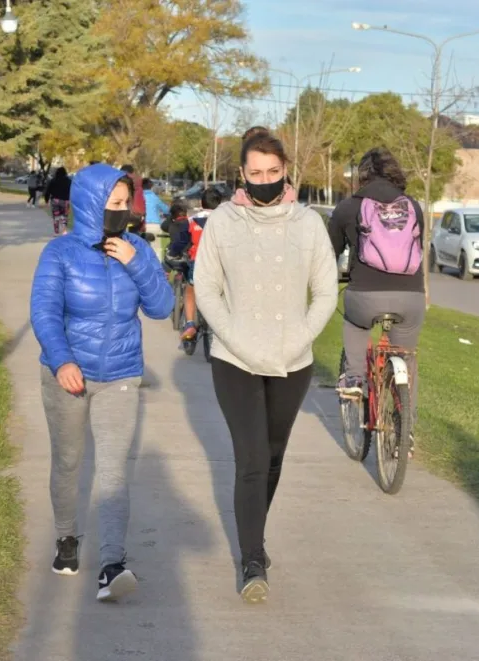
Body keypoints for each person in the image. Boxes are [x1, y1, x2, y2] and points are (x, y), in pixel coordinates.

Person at [194, 131, 338, 604]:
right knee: (252, 457)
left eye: (272, 173)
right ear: (241, 175)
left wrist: (298, 339)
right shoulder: (222, 221)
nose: (264, 181)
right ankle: (253, 560)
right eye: (255, 174)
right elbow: (207, 288)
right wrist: (234, 338)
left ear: (285, 170)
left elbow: (326, 292)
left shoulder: (309, 224)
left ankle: (253, 534)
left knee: (273, 457)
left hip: (291, 361)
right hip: (235, 358)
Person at [30, 163, 174, 603]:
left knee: (112, 471)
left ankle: (112, 565)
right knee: (69, 463)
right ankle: (67, 539)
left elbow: (162, 307)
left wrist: (136, 265)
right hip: (68, 374)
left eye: (125, 205)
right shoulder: (60, 254)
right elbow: (44, 313)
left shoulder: (137, 249)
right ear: (90, 204)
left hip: (121, 375)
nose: (121, 213)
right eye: (112, 204)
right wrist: (61, 361)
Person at [327, 147, 426, 457]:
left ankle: (355, 377)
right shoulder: (413, 206)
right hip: (411, 298)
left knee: (355, 323)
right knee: (406, 357)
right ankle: (404, 430)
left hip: (364, 295)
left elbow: (329, 251)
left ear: (363, 176)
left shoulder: (348, 207)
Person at [177, 187, 222, 341]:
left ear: (202, 203)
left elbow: (181, 242)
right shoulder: (226, 220)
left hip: (198, 262)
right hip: (219, 264)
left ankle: (190, 324)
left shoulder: (191, 220)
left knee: (191, 290)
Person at [44, 167, 72, 235]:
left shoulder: (53, 180)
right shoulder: (68, 181)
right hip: (65, 201)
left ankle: (56, 232)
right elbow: (72, 191)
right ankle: (64, 231)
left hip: (55, 201)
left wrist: (46, 200)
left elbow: (47, 191)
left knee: (56, 216)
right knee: (64, 216)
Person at [120, 164, 146, 234]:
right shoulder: (139, 186)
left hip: (123, 215)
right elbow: (142, 203)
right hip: (138, 215)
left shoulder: (120, 183)